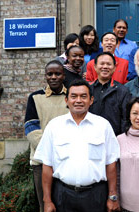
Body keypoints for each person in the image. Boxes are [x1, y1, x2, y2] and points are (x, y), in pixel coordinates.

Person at [34, 79, 120, 212]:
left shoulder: (103, 126)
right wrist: (47, 200)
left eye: (83, 96)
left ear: (91, 100)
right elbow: (47, 165)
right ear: (66, 100)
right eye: (73, 96)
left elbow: (111, 164)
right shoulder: (54, 126)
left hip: (96, 195)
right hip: (63, 195)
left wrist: (112, 197)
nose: (78, 100)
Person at [24, 60, 68, 212]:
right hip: (41, 162)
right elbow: (31, 129)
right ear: (45, 76)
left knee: (65, 205)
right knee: (46, 206)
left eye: (58, 73)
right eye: (50, 74)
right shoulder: (35, 98)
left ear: (64, 75)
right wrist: (53, 152)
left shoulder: (73, 97)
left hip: (67, 160)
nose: (54, 77)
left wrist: (64, 151)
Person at [89, 52, 132, 136]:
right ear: (95, 67)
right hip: (90, 136)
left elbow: (125, 119)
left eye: (109, 64)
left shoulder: (122, 90)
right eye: (102, 64)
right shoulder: (88, 89)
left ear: (114, 68)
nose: (105, 67)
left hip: (114, 138)